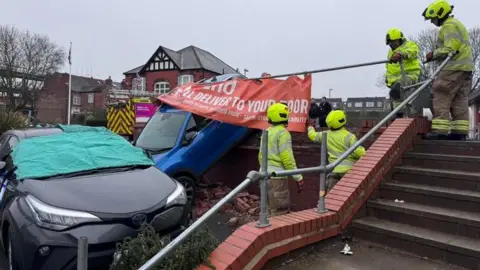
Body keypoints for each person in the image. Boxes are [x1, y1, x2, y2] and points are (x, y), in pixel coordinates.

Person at [422, 0, 473, 140]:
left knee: (441, 92)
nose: (432, 22)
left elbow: (451, 48)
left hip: (453, 67)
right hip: (465, 69)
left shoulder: (448, 26)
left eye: (433, 19)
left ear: (439, 13)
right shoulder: (457, 24)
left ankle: (440, 130)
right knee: (460, 98)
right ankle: (459, 132)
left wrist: (434, 54)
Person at [258, 103, 304, 216]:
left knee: (267, 211)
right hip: (277, 177)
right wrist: (298, 177)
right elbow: (287, 159)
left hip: (263, 175)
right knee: (279, 213)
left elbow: (260, 156)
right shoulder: (283, 133)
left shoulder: (266, 132)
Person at [307, 110, 366, 192]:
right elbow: (359, 153)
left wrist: (310, 127)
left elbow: (312, 136)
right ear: (343, 120)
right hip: (348, 173)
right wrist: (364, 150)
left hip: (333, 171)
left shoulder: (325, 135)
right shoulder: (350, 136)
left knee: (331, 198)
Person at [385, 28, 421, 119]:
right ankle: (398, 114)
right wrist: (387, 79)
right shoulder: (390, 52)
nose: (391, 44)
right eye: (389, 43)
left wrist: (401, 54)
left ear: (400, 39)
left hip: (409, 75)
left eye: (393, 42)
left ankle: (399, 115)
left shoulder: (410, 45)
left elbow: (412, 51)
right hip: (395, 81)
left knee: (396, 90)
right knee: (394, 94)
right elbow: (389, 67)